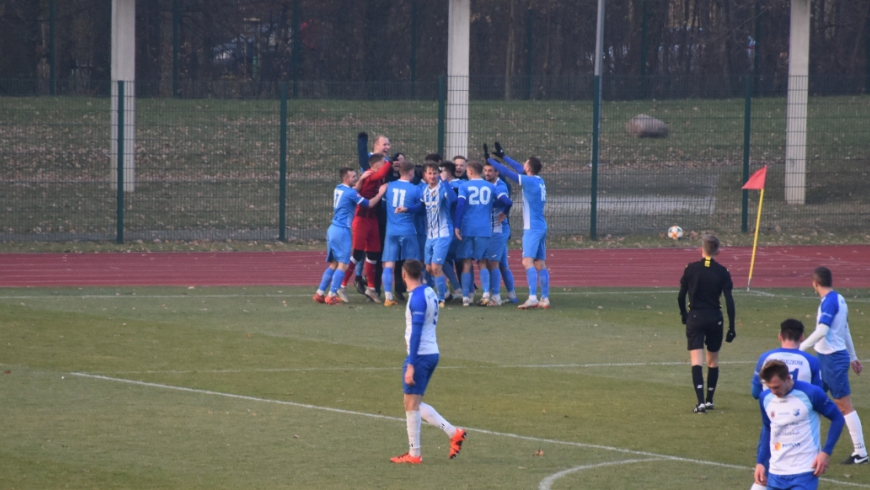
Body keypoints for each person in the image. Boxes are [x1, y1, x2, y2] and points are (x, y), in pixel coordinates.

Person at [390, 259, 467, 464]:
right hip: (431, 352)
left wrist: (412, 364)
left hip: (420, 355)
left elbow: (416, 333)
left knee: (411, 404)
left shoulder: (416, 299)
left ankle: (415, 454)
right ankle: (453, 433)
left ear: (404, 275)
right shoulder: (430, 292)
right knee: (412, 402)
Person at [800, 266, 868, 465]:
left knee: (844, 405)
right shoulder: (839, 299)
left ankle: (861, 451)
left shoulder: (830, 302)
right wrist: (853, 356)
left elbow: (822, 330)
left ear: (815, 283)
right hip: (826, 359)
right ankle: (809, 446)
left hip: (832, 359)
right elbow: (845, 330)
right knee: (813, 400)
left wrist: (801, 347)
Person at [749, 319, 822, 490]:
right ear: (802, 337)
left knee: (770, 459)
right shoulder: (811, 361)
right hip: (802, 426)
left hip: (775, 418)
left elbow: (755, 392)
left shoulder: (766, 358)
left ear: (780, 336)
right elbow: (819, 393)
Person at [755, 359, 845, 489]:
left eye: (776, 387)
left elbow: (837, 418)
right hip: (775, 472)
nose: (773, 392)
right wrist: (761, 461)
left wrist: (826, 452)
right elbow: (768, 428)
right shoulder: (765, 397)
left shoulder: (811, 393)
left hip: (804, 471)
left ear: (787, 378)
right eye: (770, 388)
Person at [485, 142, 549, 309]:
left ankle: (533, 297)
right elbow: (519, 169)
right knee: (540, 264)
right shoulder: (538, 180)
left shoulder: (529, 182)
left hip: (532, 228)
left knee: (527, 262)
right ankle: (545, 298)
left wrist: (490, 161)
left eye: (525, 163)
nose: (523, 165)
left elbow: (508, 173)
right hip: (541, 225)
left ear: (528, 168)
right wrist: (504, 156)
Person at [677, 234, 736, 414]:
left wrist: (683, 314)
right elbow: (729, 301)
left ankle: (700, 402)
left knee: (697, 361)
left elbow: (681, 296)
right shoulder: (722, 272)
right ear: (718, 251)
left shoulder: (691, 269)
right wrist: (732, 326)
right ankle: (710, 400)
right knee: (713, 361)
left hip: (695, 317)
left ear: (701, 249)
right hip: (714, 318)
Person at [313, 168, 385, 305]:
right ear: (346, 179)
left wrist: (362, 179)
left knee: (334, 264)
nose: (355, 179)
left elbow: (354, 191)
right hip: (342, 231)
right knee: (344, 265)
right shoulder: (351, 193)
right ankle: (332, 295)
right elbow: (369, 204)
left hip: (332, 229)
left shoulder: (339, 188)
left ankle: (320, 293)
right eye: (353, 177)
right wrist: (381, 193)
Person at [453, 161, 511, 307]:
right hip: (484, 229)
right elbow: (507, 201)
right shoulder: (491, 186)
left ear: (471, 172)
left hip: (467, 228)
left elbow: (460, 205)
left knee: (466, 262)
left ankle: (466, 297)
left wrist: (456, 226)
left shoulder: (464, 186)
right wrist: (504, 211)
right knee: (482, 262)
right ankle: (486, 293)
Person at [347, 153, 393, 303]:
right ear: (378, 165)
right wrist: (390, 161)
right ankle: (341, 285)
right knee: (357, 254)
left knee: (373, 254)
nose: (386, 164)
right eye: (384, 162)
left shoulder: (378, 178)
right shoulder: (371, 175)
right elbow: (381, 173)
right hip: (361, 219)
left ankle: (371, 288)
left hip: (372, 220)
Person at [381, 161, 423, 306]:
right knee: (413, 264)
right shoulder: (415, 189)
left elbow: (383, 204)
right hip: (408, 230)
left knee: (388, 264)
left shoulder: (389, 186)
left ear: (400, 172)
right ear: (411, 172)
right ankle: (415, 295)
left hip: (391, 231)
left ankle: (388, 297)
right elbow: (419, 208)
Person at [419, 163, 457, 306]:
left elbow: (453, 199)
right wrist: (407, 209)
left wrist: (445, 180)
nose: (432, 176)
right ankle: (445, 293)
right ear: (425, 175)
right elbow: (421, 207)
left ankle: (440, 298)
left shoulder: (443, 188)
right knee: (428, 268)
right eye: (430, 173)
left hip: (443, 233)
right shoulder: (424, 190)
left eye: (435, 173)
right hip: (430, 235)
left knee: (435, 267)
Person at [479, 162, 512, 306]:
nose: (487, 173)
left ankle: (496, 297)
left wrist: (504, 211)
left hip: (498, 230)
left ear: (497, 173)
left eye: (490, 171)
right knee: (501, 264)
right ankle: (512, 295)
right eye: (485, 170)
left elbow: (507, 202)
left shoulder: (500, 186)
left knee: (492, 263)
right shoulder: (484, 185)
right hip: (490, 230)